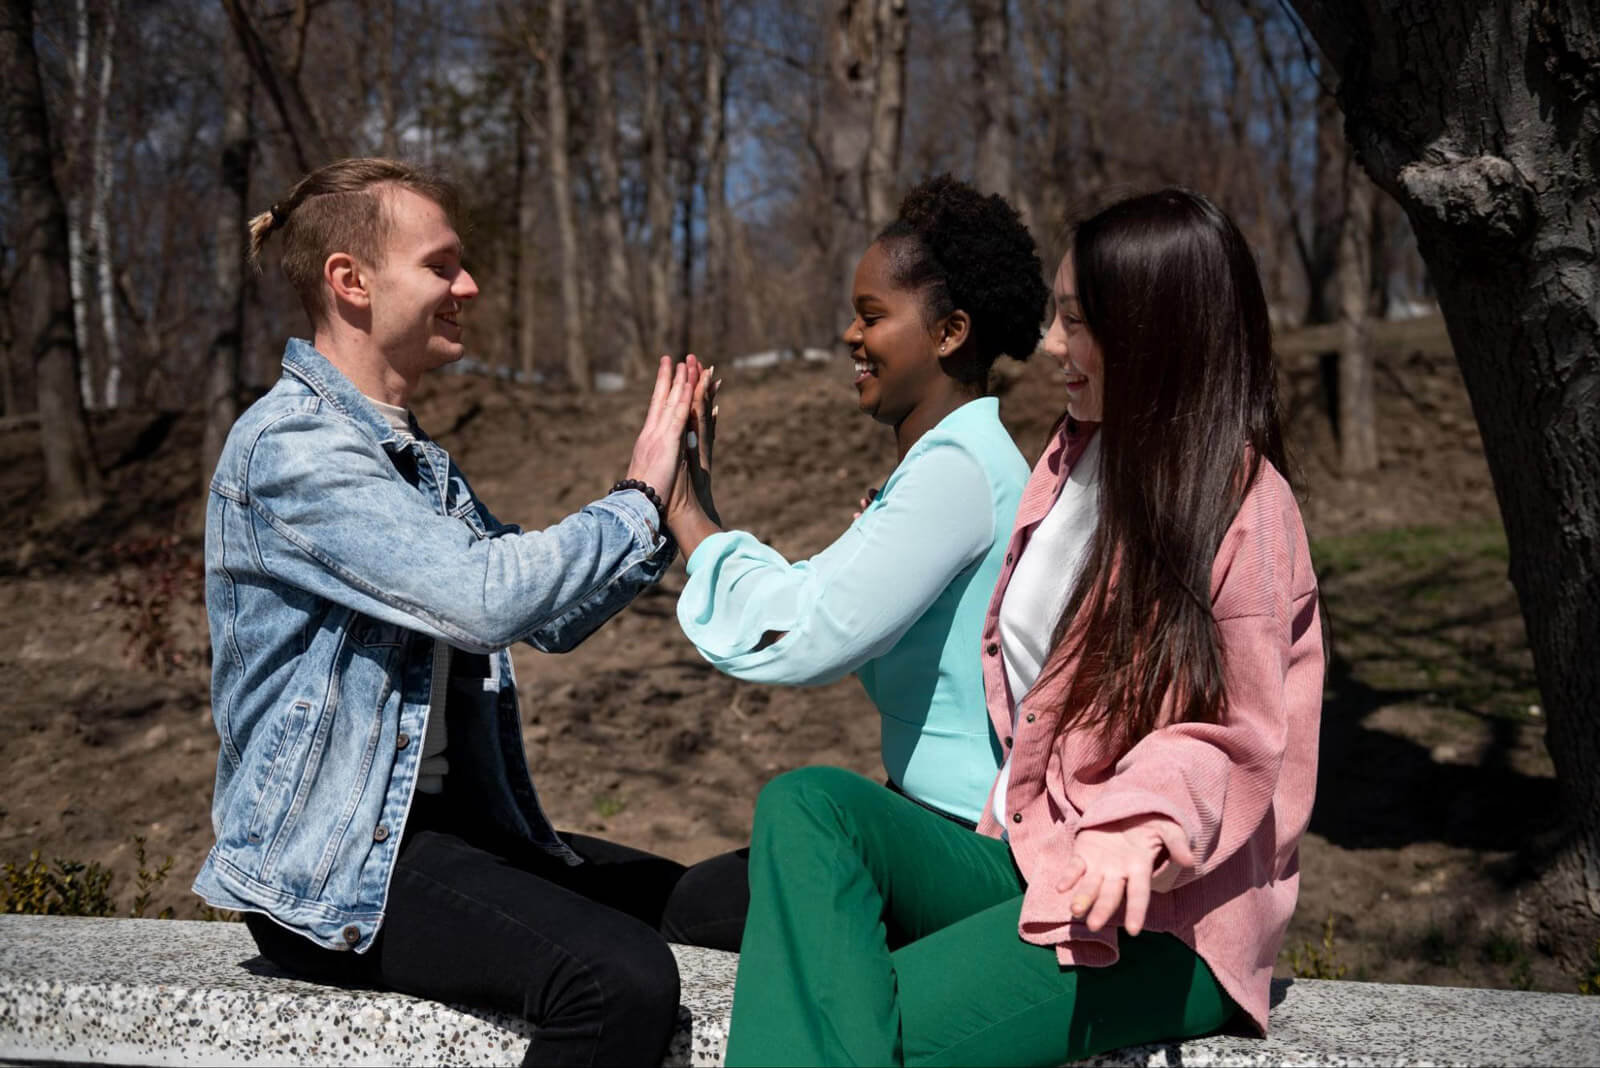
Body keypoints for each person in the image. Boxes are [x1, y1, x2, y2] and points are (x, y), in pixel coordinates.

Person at [723, 188, 1324, 1066]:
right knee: (810, 805)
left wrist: (1137, 823)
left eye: (1075, 322)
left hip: (1161, 916)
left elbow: (1234, 732)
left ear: (1151, 333)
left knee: (860, 1027)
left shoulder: (1243, 507)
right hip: (1032, 857)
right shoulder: (1071, 459)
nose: (1049, 344)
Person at [191, 157, 703, 1067]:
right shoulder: (291, 449)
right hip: (335, 867)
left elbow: (546, 618)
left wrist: (665, 511)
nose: (468, 285)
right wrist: (633, 495)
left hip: (438, 834)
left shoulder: (413, 461)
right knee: (619, 978)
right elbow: (483, 598)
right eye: (441, 265)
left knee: (700, 903)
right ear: (351, 281)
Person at [658, 176, 1049, 950]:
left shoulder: (958, 473)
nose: (849, 335)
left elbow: (808, 632)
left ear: (949, 333)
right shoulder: (949, 463)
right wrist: (699, 512)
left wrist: (688, 518)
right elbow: (819, 593)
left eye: (872, 316)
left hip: (969, 844)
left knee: (694, 911)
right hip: (925, 816)